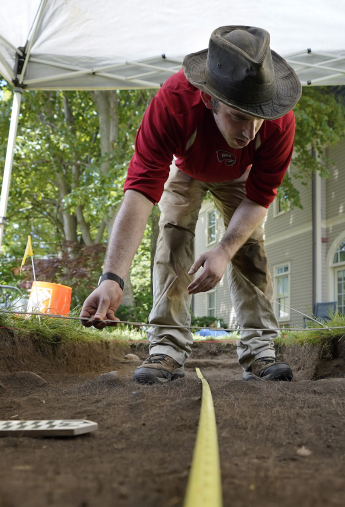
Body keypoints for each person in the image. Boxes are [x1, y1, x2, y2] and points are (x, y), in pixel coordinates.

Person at [80, 26, 301, 384]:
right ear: (209, 99)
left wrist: (223, 251)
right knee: (173, 239)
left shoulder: (277, 122)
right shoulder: (173, 102)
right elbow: (140, 191)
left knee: (250, 249)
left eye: (257, 115)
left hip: (241, 178)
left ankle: (260, 349)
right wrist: (112, 278)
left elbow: (260, 197)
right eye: (239, 116)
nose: (251, 131)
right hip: (187, 169)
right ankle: (166, 347)